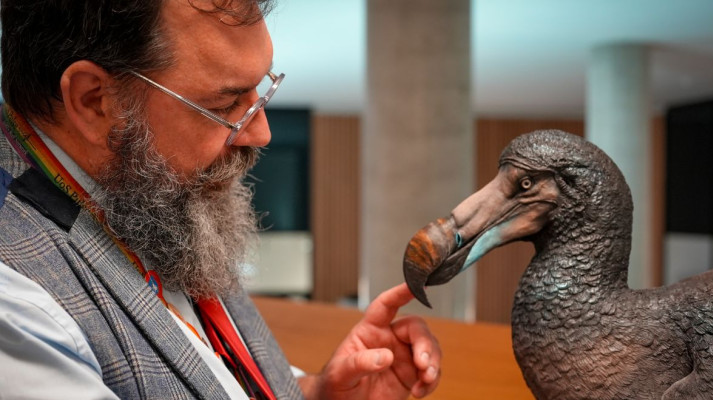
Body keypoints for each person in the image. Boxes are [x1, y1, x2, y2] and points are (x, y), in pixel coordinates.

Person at [0, 0, 442, 399]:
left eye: (260, 90)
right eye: (227, 104)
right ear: (94, 100)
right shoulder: (16, 303)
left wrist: (315, 392)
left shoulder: (150, 190)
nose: (261, 132)